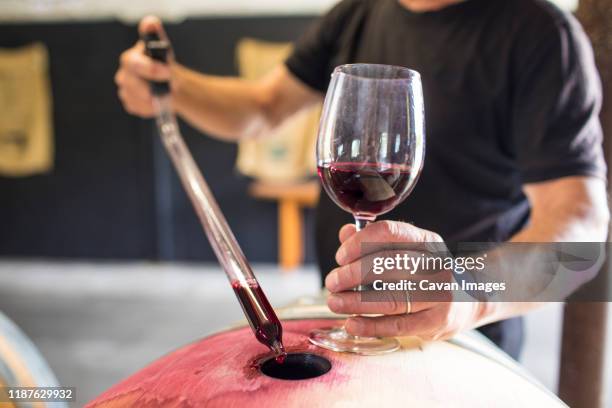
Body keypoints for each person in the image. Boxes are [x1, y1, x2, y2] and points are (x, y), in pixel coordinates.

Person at [115, 0, 609, 359]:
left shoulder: (542, 34)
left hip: (464, 346)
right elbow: (262, 109)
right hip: (342, 331)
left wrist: (470, 291)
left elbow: (581, 237)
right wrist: (172, 87)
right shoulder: (357, 12)